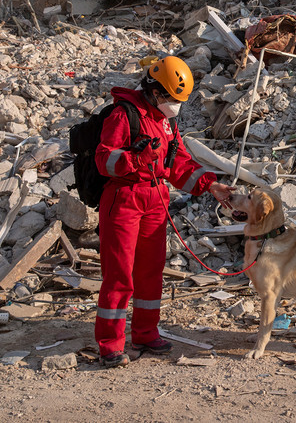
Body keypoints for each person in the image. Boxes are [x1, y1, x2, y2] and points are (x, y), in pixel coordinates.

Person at [94, 56, 234, 368]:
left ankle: (145, 333)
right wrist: (135, 159)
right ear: (157, 92)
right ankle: (111, 345)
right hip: (125, 199)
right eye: (173, 99)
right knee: (119, 274)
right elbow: (104, 160)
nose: (176, 106)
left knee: (150, 271)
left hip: (156, 200)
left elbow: (179, 163)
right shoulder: (124, 114)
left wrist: (212, 186)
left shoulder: (165, 120)